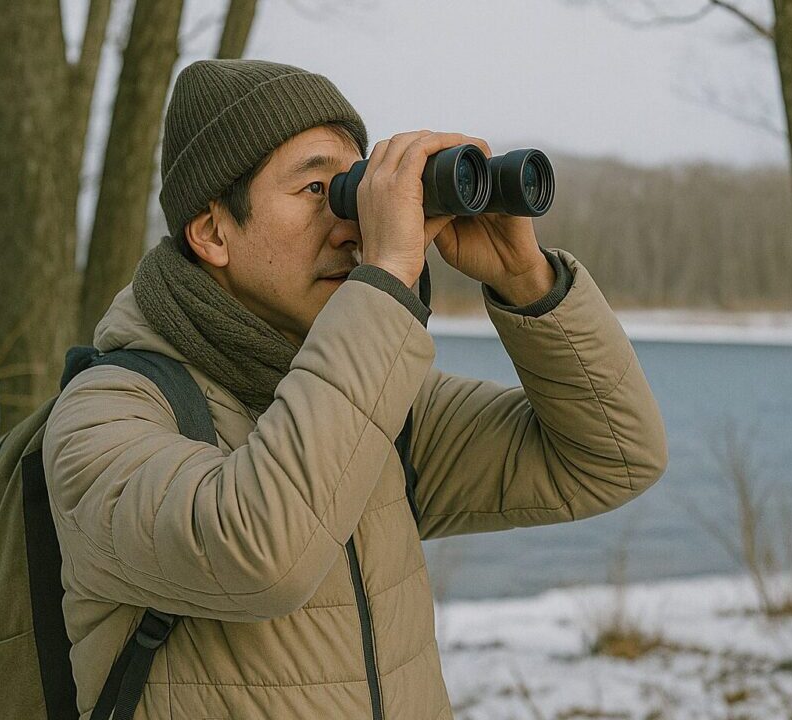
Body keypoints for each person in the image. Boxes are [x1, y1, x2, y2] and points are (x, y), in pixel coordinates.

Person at [43, 59, 668, 720]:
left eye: (355, 186)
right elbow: (260, 553)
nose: (351, 223)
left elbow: (613, 457)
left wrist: (525, 276)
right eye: (317, 189)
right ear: (213, 231)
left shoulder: (380, 407)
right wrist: (389, 273)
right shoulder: (105, 414)